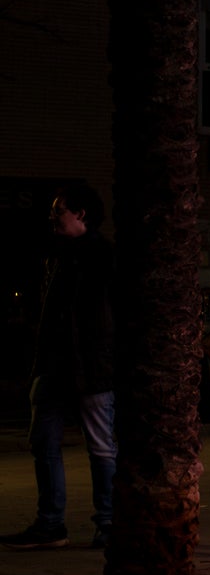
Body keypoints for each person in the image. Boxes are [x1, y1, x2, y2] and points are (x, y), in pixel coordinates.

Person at [3, 187, 116, 551]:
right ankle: (52, 524)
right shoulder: (58, 256)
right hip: (57, 366)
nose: (53, 218)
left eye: (59, 212)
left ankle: (107, 522)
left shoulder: (101, 256)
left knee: (100, 447)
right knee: (44, 443)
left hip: (91, 366)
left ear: (80, 214)